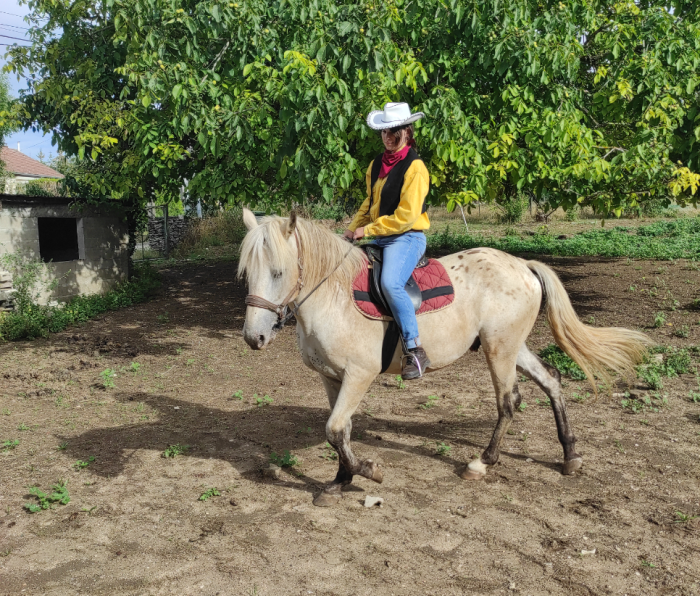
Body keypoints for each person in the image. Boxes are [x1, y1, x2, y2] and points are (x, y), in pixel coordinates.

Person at [344, 102, 431, 380]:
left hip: (406, 238)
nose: (388, 137)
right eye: (384, 131)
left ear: (407, 131)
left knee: (390, 284)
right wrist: (351, 229)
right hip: (380, 236)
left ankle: (415, 350)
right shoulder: (376, 165)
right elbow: (369, 203)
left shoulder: (415, 168)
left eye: (394, 131)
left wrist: (368, 231)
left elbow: (406, 217)